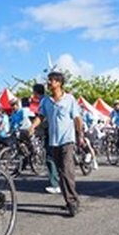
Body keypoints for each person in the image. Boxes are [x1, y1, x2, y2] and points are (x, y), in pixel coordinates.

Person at [30, 71, 84, 216]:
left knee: (67, 171)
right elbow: (41, 116)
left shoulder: (69, 99)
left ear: (59, 83)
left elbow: (77, 118)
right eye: (48, 80)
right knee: (61, 172)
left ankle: (72, 202)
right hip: (54, 141)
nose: (48, 83)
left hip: (67, 140)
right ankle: (69, 200)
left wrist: (80, 135)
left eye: (51, 80)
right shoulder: (46, 101)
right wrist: (32, 126)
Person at [33, 83, 61, 195]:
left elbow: (42, 117)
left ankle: (55, 184)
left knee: (50, 157)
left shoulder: (44, 101)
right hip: (55, 131)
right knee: (56, 157)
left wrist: (33, 127)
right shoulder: (48, 99)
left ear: (35, 92)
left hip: (49, 131)